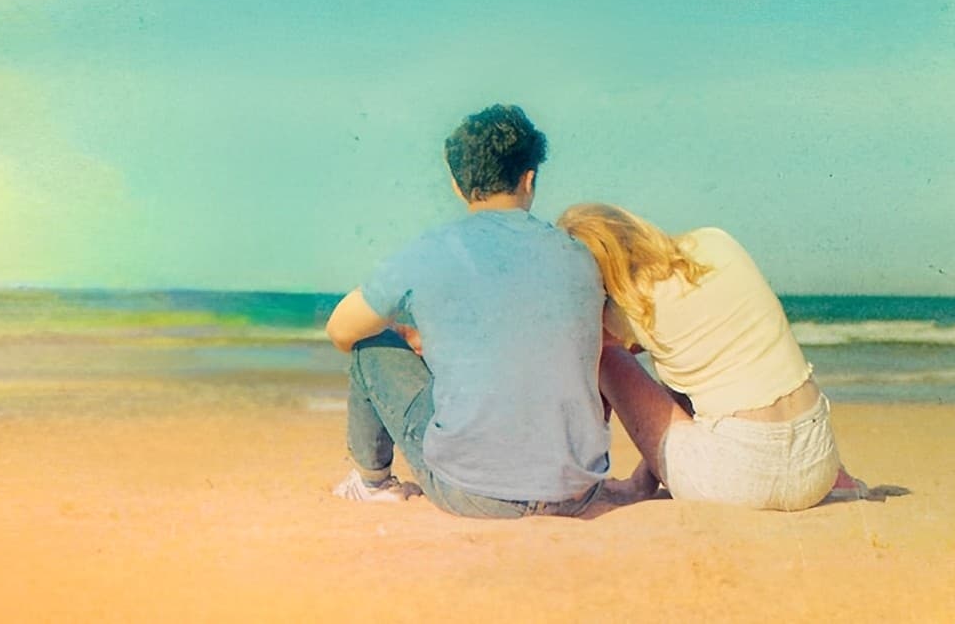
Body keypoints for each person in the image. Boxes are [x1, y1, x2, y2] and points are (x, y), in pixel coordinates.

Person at [325, 105, 611, 519]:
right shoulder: (579, 256)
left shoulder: (432, 250)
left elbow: (341, 330)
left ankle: (374, 483)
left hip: (476, 494)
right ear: (529, 179)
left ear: (458, 186)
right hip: (578, 491)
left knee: (371, 343)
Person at [557, 203, 868, 510]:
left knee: (603, 355)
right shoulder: (716, 241)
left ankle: (585, 483)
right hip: (818, 466)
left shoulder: (629, 312)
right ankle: (839, 477)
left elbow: (588, 357)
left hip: (739, 483)